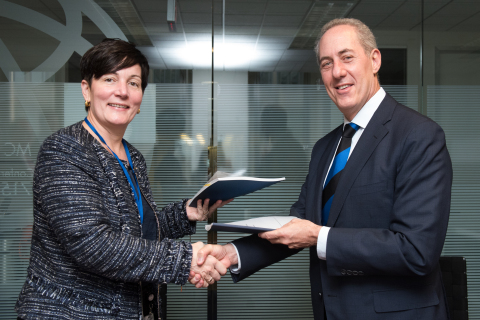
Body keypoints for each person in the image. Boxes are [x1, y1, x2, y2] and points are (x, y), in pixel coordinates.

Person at [195, 18, 453, 320]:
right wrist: (232, 254)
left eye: (347, 57)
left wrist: (319, 237)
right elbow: (298, 226)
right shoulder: (325, 148)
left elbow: (416, 251)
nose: (337, 72)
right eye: (326, 63)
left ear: (374, 60)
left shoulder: (418, 135)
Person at [15, 38, 230, 320]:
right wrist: (187, 259)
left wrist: (186, 213)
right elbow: (93, 244)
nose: (122, 92)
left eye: (133, 83)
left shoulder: (133, 157)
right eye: (109, 79)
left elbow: (135, 233)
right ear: (86, 89)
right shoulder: (64, 149)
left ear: (141, 97)